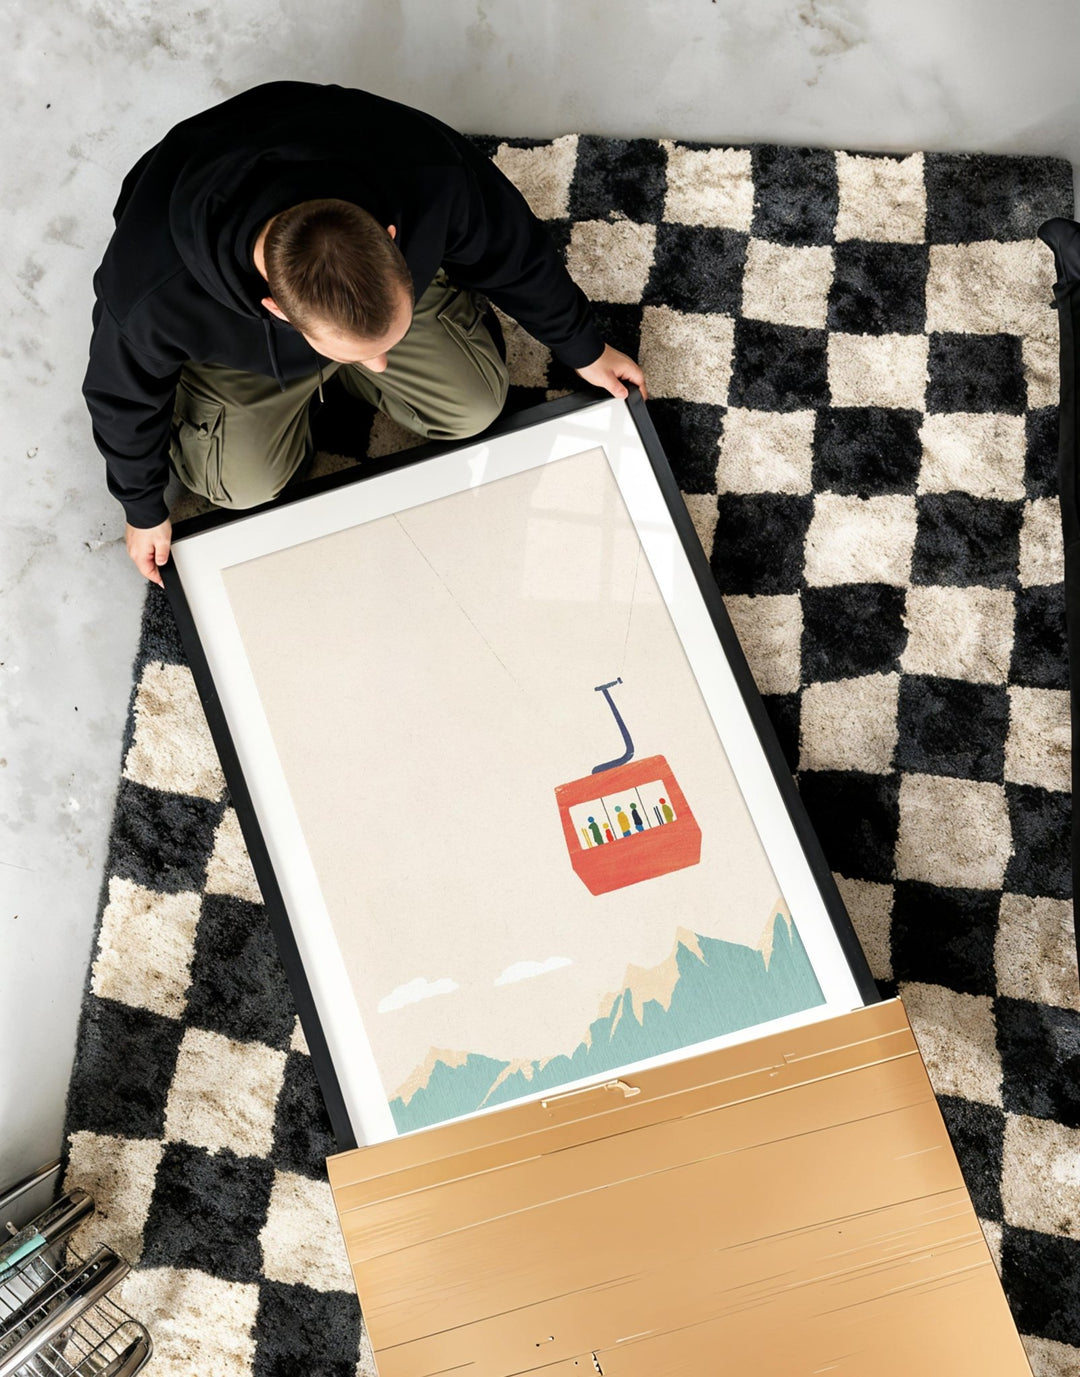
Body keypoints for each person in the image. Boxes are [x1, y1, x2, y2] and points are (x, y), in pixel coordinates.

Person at [83, 82, 647, 585]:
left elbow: (513, 251)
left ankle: (373, 332)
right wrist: (141, 507)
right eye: (361, 355)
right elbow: (121, 396)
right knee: (241, 488)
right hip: (236, 356)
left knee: (473, 407)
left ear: (393, 237)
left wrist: (584, 346)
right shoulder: (150, 292)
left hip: (360, 261)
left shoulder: (427, 168)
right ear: (277, 311)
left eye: (384, 345)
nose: (380, 365)